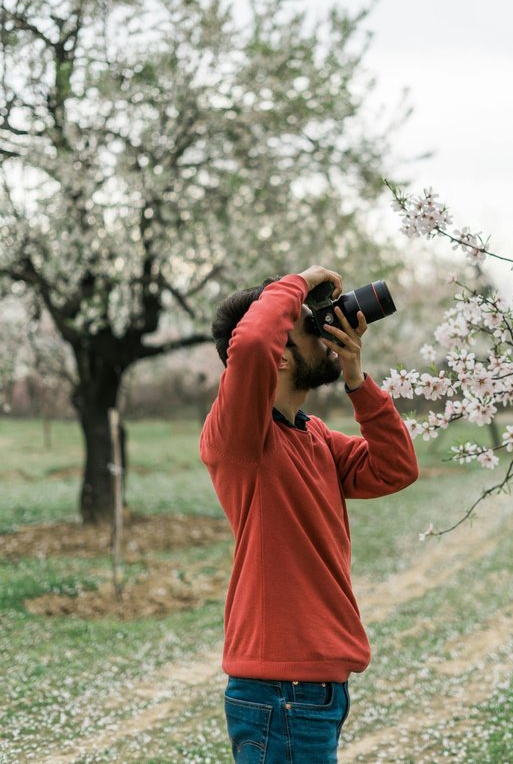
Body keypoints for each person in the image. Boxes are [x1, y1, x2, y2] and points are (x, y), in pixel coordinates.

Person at [200, 265, 419, 764]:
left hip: (311, 685)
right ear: (279, 355)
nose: (325, 332)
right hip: (281, 686)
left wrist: (357, 380)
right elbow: (252, 343)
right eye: (309, 326)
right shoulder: (239, 437)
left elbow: (396, 468)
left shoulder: (313, 435)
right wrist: (298, 280)